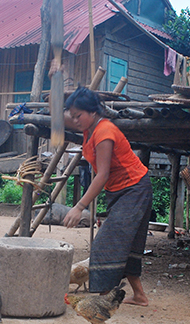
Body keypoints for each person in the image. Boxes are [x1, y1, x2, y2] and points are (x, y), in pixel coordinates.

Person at [62, 87, 153, 307]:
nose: (74, 120)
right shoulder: (88, 127)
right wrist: (56, 79)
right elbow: (59, 118)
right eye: (72, 116)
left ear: (93, 112)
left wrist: (79, 206)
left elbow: (102, 175)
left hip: (135, 188)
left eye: (78, 115)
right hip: (122, 190)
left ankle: (103, 301)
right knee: (128, 244)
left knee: (106, 243)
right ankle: (139, 296)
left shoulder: (104, 132)